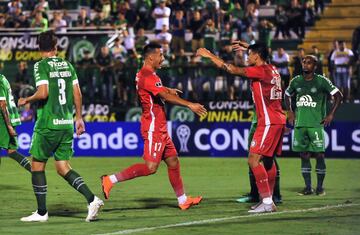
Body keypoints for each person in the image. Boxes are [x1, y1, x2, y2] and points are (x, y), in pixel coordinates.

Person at [101, 42, 207, 210]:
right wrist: (190, 105)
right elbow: (164, 96)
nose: (163, 58)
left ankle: (182, 200)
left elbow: (154, 89)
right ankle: (110, 179)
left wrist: (166, 88)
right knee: (151, 167)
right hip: (153, 127)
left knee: (173, 161)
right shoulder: (148, 75)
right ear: (151, 57)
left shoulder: (144, 74)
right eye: (161, 55)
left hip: (160, 126)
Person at [18, 30, 104, 222]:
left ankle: (41, 213)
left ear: (39, 48)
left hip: (48, 123)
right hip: (66, 123)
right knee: (62, 167)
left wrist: (26, 99)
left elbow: (43, 93)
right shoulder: (67, 65)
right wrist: (79, 118)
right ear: (56, 47)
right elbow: (78, 94)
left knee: (37, 166)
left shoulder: (41, 65)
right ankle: (92, 199)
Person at [197, 41, 286, 213]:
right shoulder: (272, 69)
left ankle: (267, 202)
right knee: (267, 160)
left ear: (257, 56)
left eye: (249, 55)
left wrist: (209, 56)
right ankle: (267, 200)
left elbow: (231, 69)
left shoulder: (260, 71)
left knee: (253, 160)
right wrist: (251, 48)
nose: (247, 57)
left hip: (268, 121)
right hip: (277, 119)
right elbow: (262, 56)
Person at [284, 55, 343, 196]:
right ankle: (308, 187)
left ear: (314, 66)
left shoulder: (321, 81)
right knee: (304, 155)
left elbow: (339, 95)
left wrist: (331, 114)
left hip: (316, 124)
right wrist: (290, 112)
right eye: (304, 62)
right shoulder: (296, 81)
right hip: (299, 125)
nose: (305, 64)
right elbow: (286, 95)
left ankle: (320, 187)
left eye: (309, 63)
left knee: (320, 155)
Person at [0, 74, 31, 173]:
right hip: (12, 117)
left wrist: (9, 127)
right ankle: (36, 172)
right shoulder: (3, 77)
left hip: (4, 120)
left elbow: (2, 104)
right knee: (11, 151)